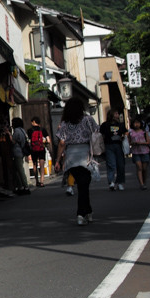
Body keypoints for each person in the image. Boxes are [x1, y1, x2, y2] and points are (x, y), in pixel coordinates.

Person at [53, 96, 98, 225]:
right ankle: (81, 213)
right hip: (86, 154)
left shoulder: (65, 124)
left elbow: (61, 143)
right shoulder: (88, 120)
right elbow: (96, 133)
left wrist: (58, 160)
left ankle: (87, 211)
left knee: (82, 183)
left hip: (71, 155)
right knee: (85, 184)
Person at [100, 109, 127, 190]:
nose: (117, 115)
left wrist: (123, 137)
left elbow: (125, 132)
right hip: (109, 146)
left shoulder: (120, 124)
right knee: (111, 164)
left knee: (120, 165)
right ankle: (111, 182)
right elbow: (101, 135)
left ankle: (120, 182)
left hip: (118, 145)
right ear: (111, 115)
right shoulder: (105, 125)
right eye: (116, 113)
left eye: (117, 113)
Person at [125, 118, 150, 190]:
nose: (136, 124)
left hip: (145, 151)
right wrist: (132, 143)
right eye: (135, 123)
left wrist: (141, 143)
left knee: (144, 168)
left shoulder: (144, 132)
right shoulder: (131, 132)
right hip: (135, 152)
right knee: (139, 167)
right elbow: (128, 142)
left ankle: (144, 182)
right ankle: (141, 184)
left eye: (138, 123)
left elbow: (148, 142)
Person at [10, 118, 31, 194]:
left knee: (20, 170)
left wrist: (9, 134)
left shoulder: (17, 131)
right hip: (21, 151)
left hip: (17, 152)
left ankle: (25, 186)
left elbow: (13, 141)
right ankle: (21, 186)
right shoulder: (22, 130)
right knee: (17, 170)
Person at [28, 118, 48, 187]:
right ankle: (42, 182)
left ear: (33, 122)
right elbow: (48, 140)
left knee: (34, 165)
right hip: (41, 149)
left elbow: (29, 141)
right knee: (42, 165)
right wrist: (44, 144)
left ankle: (37, 181)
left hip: (33, 150)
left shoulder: (30, 130)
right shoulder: (43, 129)